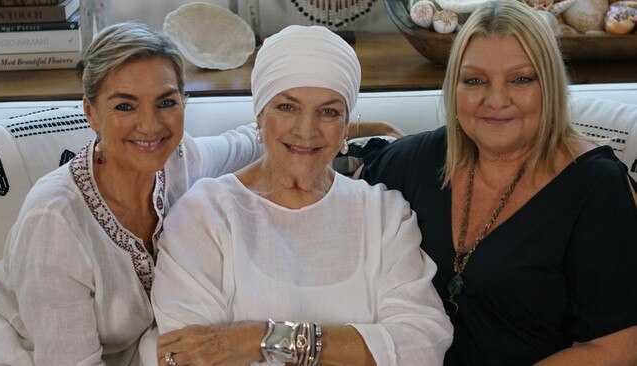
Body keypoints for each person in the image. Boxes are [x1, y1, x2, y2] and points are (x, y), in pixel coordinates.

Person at [143, 25, 453, 366]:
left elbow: (423, 344)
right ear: (259, 115)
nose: (306, 130)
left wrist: (263, 338)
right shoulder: (205, 214)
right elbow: (190, 355)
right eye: (287, 107)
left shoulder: (383, 213)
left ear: (347, 125)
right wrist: (358, 348)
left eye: (328, 112)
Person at [360, 1, 637, 365]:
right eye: (475, 80)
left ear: (549, 86)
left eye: (521, 79)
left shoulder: (595, 187)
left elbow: (619, 345)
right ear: (453, 88)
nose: (496, 100)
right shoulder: (413, 162)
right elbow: (324, 197)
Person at [0, 22, 265, 365]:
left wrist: (336, 124)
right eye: (124, 106)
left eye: (166, 102)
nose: (150, 125)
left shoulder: (179, 159)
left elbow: (248, 143)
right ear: (91, 112)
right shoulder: (55, 222)